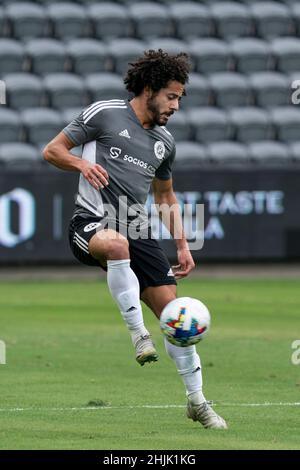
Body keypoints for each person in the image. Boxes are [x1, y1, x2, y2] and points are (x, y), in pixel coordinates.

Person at [43, 49, 227, 430]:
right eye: (172, 96)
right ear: (150, 89)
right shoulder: (104, 113)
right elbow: (52, 150)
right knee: (115, 245)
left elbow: (164, 197)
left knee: (177, 318)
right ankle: (138, 336)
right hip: (91, 220)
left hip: (137, 228)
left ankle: (197, 402)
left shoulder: (164, 143)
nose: (176, 106)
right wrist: (82, 163)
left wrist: (181, 244)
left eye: (179, 98)